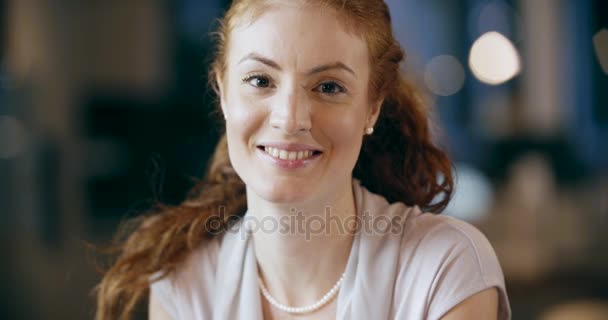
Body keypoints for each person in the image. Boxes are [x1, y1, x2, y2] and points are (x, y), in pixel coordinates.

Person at [95, 0, 511, 319]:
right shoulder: (184, 284)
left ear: (371, 108)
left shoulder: (445, 268)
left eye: (328, 87)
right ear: (223, 93)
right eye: (260, 81)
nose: (290, 119)